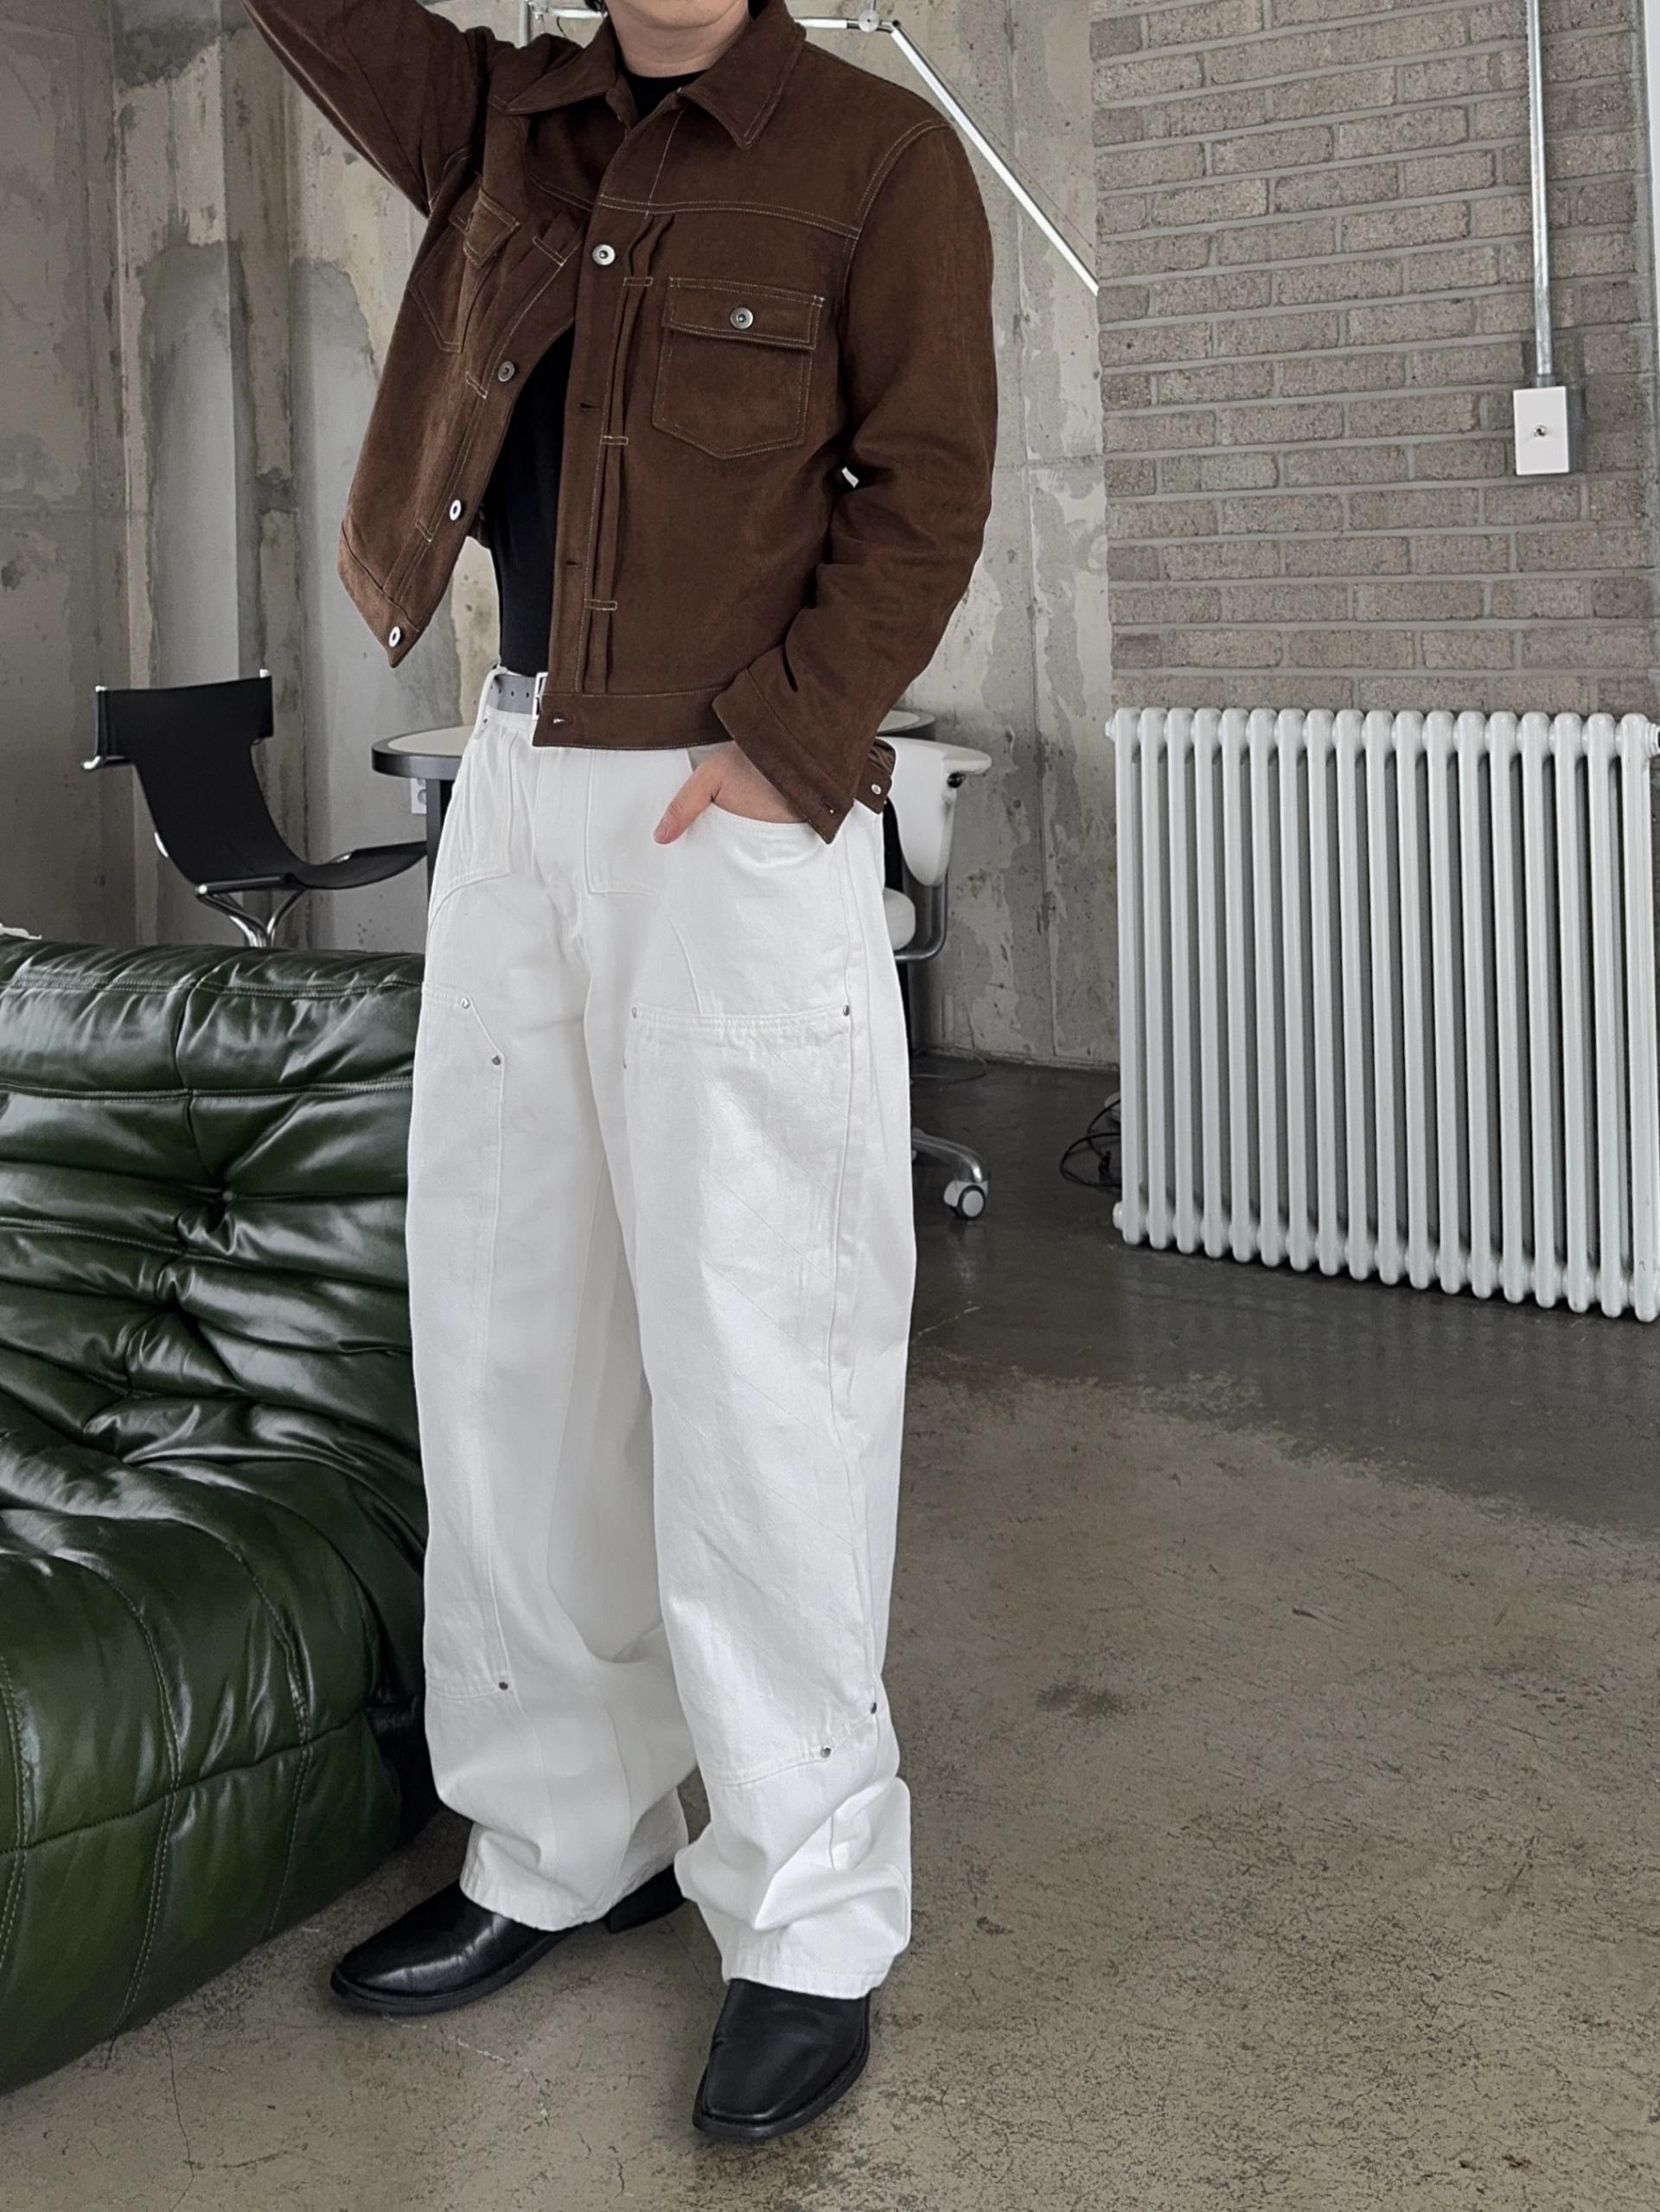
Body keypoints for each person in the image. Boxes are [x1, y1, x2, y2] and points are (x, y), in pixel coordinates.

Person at [241, 0, 997, 2142]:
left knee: (763, 1367)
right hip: (518, 786)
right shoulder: (509, 115)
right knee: (511, 1337)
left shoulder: (874, 158)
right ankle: (560, 1834)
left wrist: (789, 741)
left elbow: (928, 486)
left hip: (730, 812)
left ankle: (809, 1905)